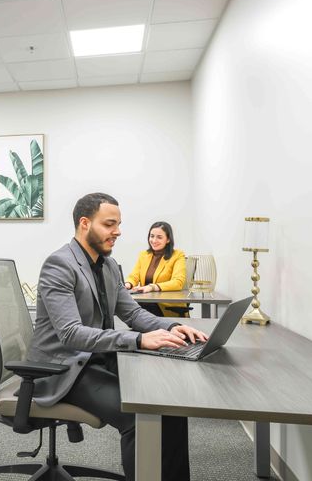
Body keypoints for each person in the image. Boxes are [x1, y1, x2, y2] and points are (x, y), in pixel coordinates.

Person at [26, 193, 208, 481]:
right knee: (137, 416)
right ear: (85, 224)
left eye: (119, 224)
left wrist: (173, 326)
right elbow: (71, 333)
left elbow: (133, 313)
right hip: (63, 369)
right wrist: (137, 340)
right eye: (109, 224)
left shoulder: (108, 265)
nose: (118, 231)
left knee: (171, 405)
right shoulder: (59, 265)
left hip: (98, 358)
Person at [124, 221, 189, 317]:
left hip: (166, 305)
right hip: (146, 302)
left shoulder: (177, 255)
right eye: (152, 236)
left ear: (168, 239)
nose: (154, 240)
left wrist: (152, 287)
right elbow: (134, 276)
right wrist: (127, 285)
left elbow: (178, 282)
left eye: (159, 237)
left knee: (136, 311)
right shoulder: (144, 255)